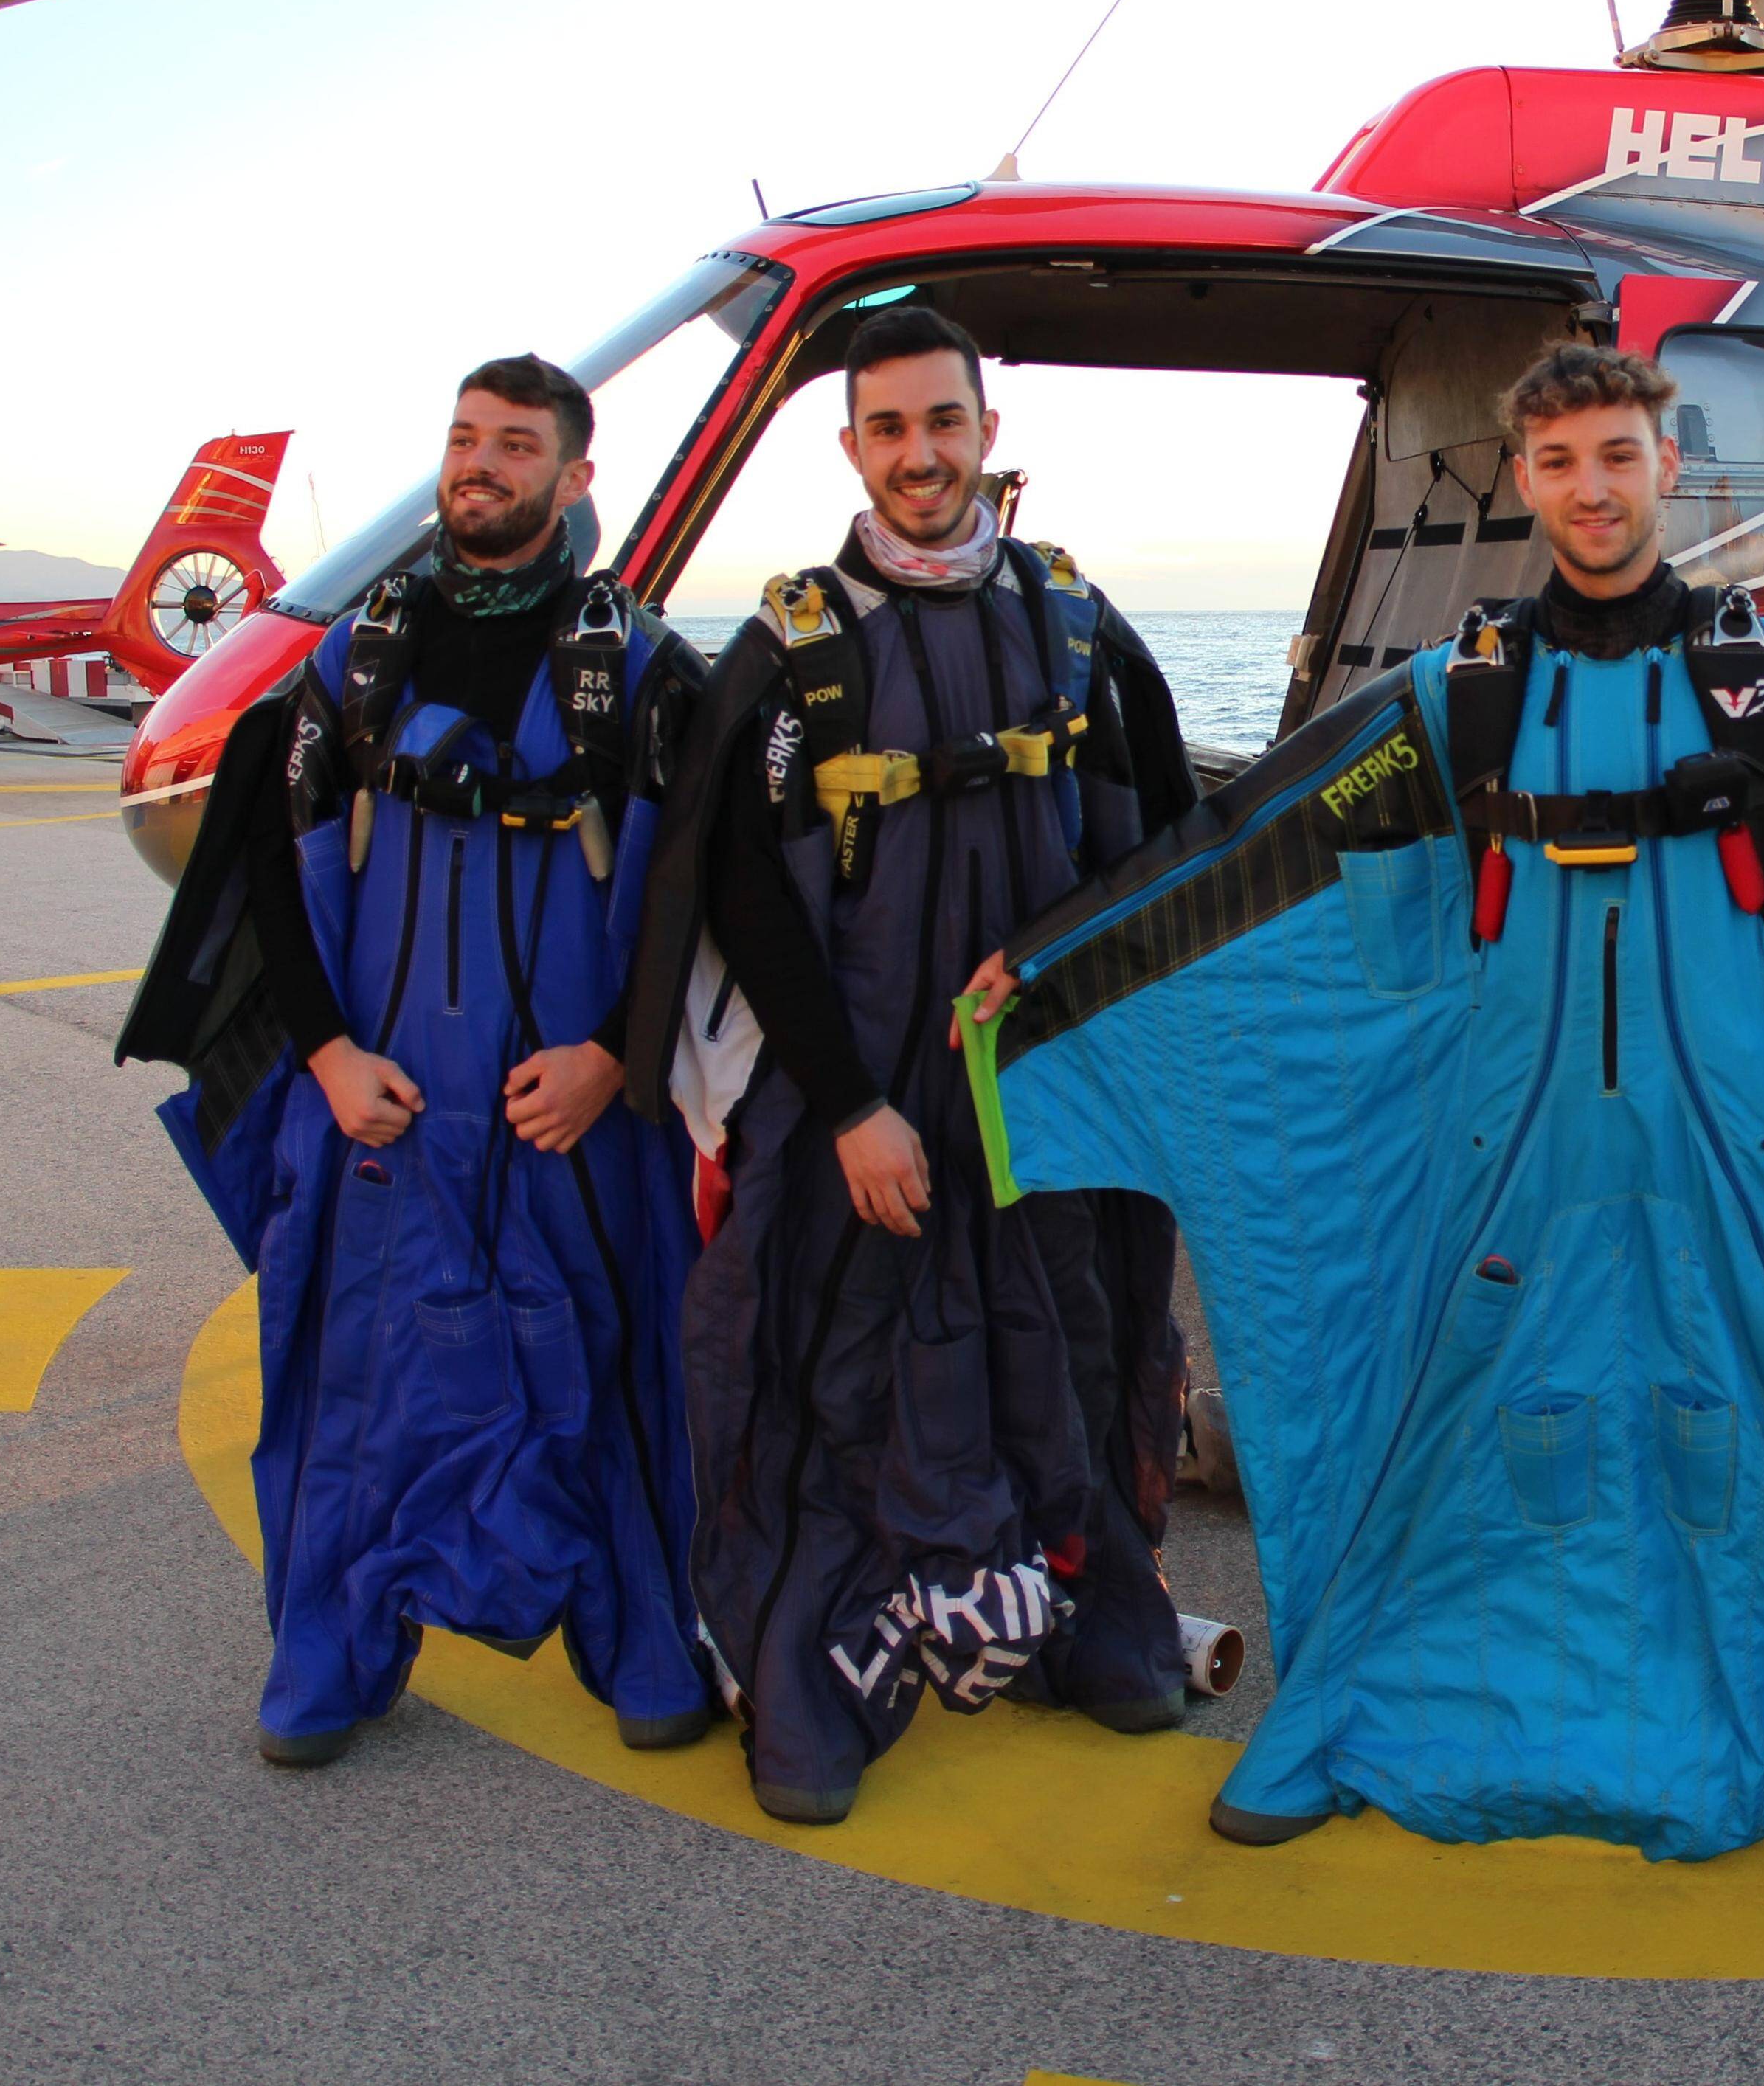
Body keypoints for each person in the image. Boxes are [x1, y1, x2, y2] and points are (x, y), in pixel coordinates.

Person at [952, 344, 1764, 1897]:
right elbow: (1253, 843)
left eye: (1618, 454)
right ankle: (1340, 1715)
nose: (1591, 486)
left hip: (1738, 1157)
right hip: (1516, 1149)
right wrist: (1045, 978)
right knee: (1422, 1415)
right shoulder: (1460, 700)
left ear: (1665, 460)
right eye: (1561, 458)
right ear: (1527, 478)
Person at [621, 305, 1197, 1826]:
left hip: (1036, 1083)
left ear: (985, 432)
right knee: (835, 1362)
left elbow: (1155, 845)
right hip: (851, 1094)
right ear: (852, 447)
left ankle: (1085, 1608)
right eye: (889, 428)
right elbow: (737, 890)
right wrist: (855, 1102)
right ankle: (820, 1656)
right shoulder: (793, 643)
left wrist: (1072, 963)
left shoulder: (1074, 621)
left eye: (944, 421)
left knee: (1063, 1336)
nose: (920, 453)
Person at [120, 354, 716, 1767]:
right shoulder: (351, 660)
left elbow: (697, 884)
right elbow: (265, 861)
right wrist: (322, 1055)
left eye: (517, 445)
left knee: (617, 1363)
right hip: (381, 1104)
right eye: (465, 439)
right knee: (346, 1376)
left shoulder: (637, 669)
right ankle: (327, 1652)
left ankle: (641, 1634)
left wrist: (617, 1062)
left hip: (575, 1106)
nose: (481, 465)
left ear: (575, 478)